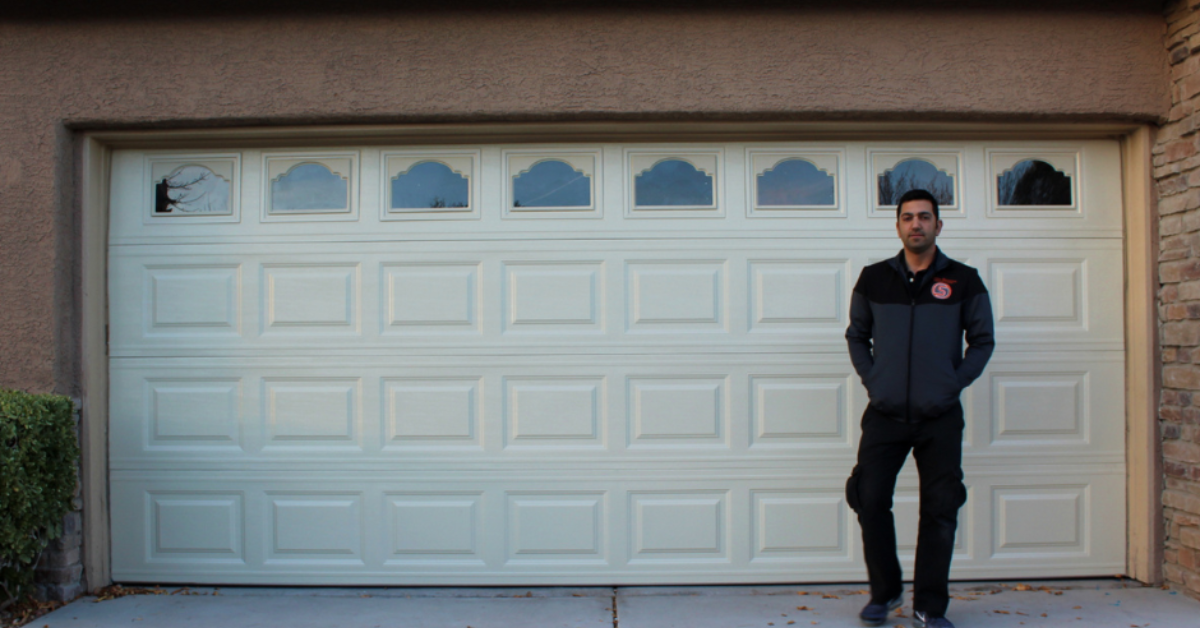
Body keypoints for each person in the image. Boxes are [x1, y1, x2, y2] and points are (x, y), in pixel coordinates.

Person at [844, 189, 994, 628]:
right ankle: (885, 592)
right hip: (885, 413)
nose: (916, 224)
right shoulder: (873, 279)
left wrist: (952, 384)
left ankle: (929, 606)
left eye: (924, 217)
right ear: (898, 226)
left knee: (940, 509)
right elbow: (857, 335)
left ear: (938, 225)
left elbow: (982, 341)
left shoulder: (964, 280)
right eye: (908, 217)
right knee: (869, 498)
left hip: (939, 416)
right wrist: (874, 379)